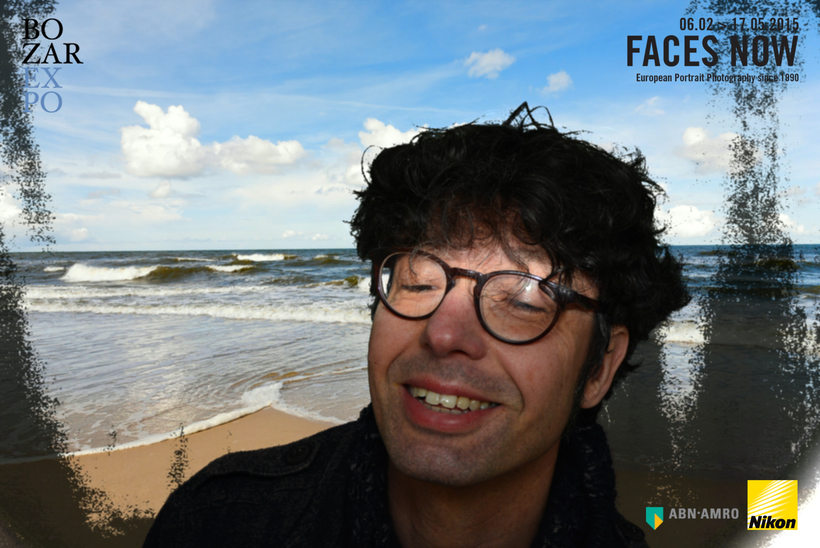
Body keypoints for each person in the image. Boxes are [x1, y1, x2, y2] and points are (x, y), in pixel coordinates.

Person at [144, 103, 690, 547]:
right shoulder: (216, 522)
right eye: (419, 280)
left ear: (600, 367)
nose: (443, 333)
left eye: (523, 299)